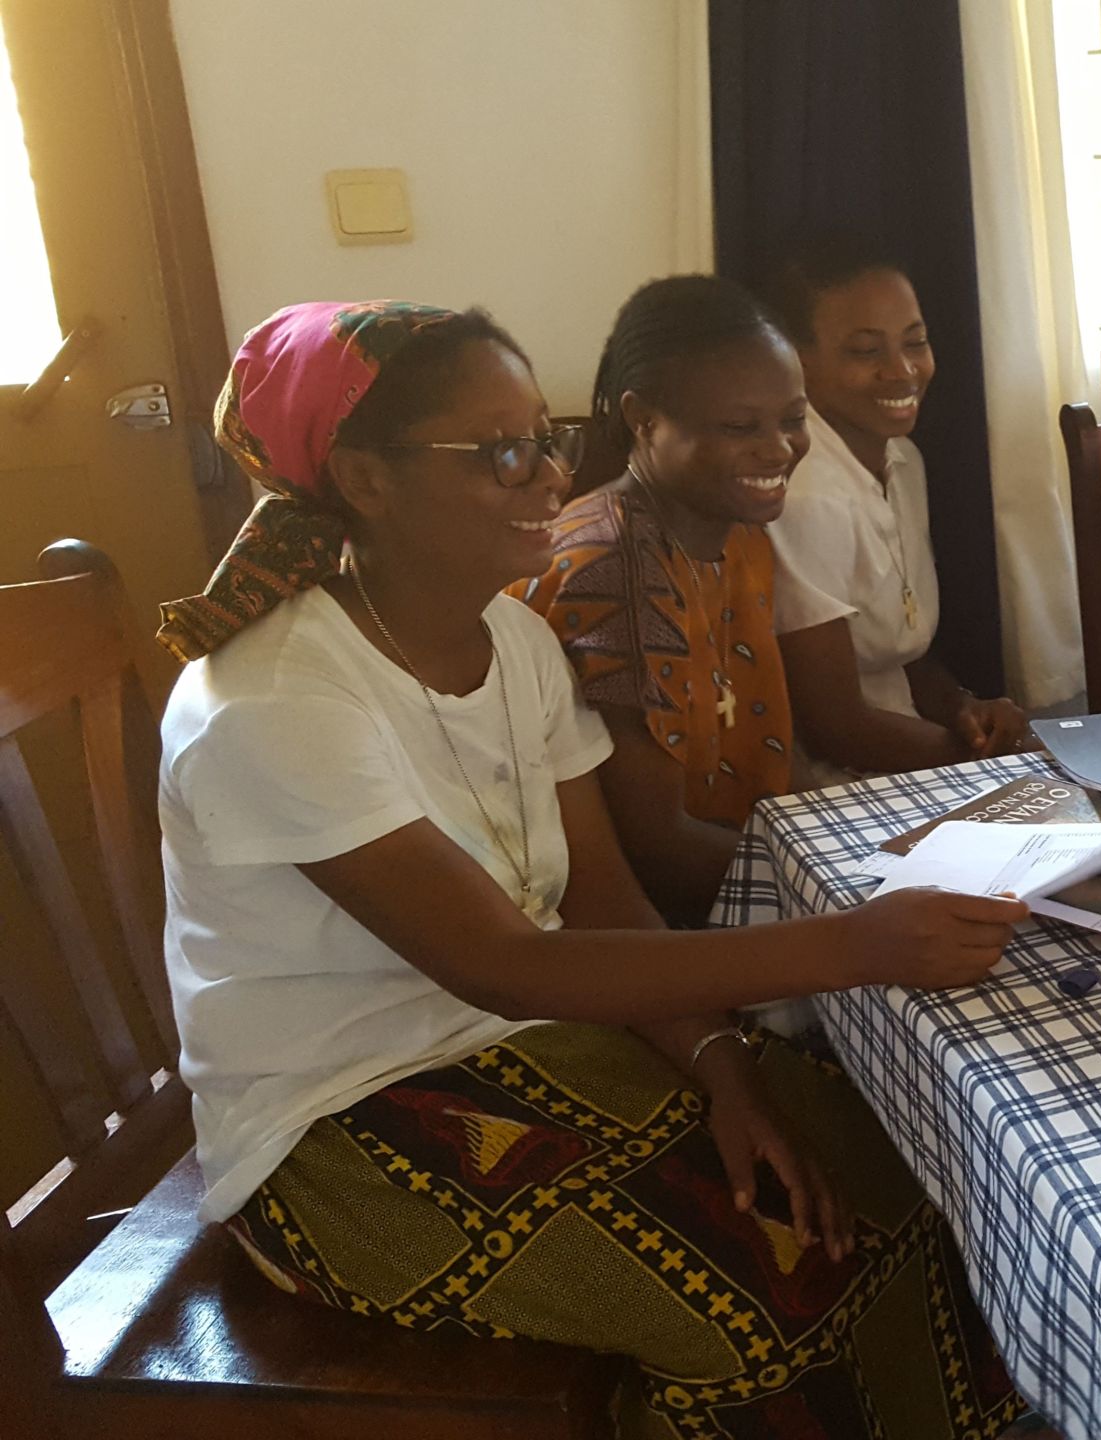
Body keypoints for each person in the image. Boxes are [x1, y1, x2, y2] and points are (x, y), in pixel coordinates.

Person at [153, 301, 1039, 1439]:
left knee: (900, 1173)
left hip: (528, 1043)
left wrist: (723, 1062)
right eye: (502, 453)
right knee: (759, 1299)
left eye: (549, 436)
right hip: (340, 1123)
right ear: (367, 481)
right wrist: (857, 942)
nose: (550, 477)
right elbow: (507, 966)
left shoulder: (510, 641)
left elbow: (599, 894)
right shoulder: (275, 701)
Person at [514, 275, 906, 922]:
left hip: (746, 875)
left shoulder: (737, 531)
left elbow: (772, 753)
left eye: (793, 420)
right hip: (650, 924)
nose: (780, 448)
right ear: (644, 420)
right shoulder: (609, 569)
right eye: (738, 426)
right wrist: (850, 893)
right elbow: (654, 849)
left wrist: (868, 851)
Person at [757, 239, 1033, 772]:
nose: (903, 370)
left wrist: (963, 710)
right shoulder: (805, 493)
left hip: (909, 748)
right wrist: (993, 763)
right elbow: (834, 728)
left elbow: (898, 652)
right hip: (830, 781)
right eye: (865, 351)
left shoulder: (902, 461)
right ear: (796, 360)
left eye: (916, 342)